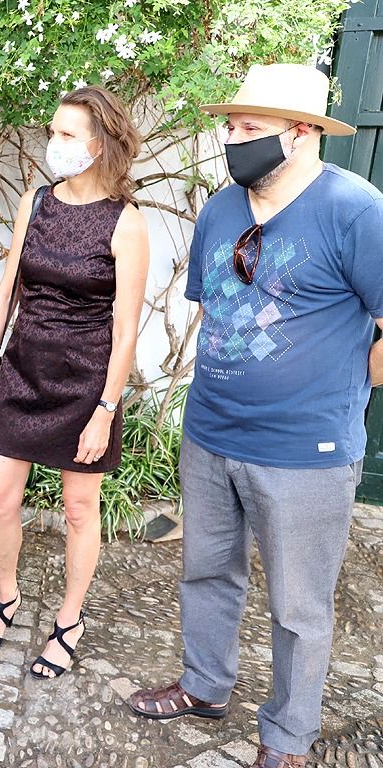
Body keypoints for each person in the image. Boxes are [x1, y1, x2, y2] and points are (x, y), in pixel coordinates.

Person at [128, 64, 383, 768]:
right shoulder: (219, 209)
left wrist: (348, 383)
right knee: (207, 572)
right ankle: (205, 685)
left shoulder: (356, 210)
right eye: (231, 126)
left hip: (306, 450)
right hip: (210, 432)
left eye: (251, 128)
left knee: (299, 606)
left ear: (301, 133)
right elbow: (215, 306)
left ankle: (288, 737)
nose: (233, 139)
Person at [0, 87, 149, 676]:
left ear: (100, 146)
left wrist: (106, 408)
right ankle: (7, 598)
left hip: (85, 384)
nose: (54, 143)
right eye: (53, 132)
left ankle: (70, 620)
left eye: (67, 134)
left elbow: (126, 329)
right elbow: (8, 289)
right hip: (22, 371)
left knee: (78, 507)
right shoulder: (36, 202)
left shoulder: (126, 223)